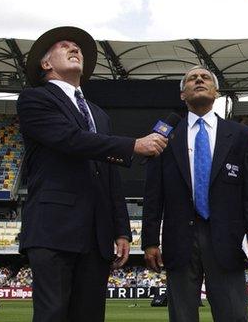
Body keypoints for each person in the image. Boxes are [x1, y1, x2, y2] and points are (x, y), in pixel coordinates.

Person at [17, 26, 168, 322]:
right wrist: (133, 145)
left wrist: (121, 229)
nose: (75, 49)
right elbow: (70, 139)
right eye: (64, 46)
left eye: (78, 48)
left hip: (96, 236)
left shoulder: (99, 115)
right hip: (54, 228)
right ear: (46, 64)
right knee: (52, 314)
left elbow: (110, 177)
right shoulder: (34, 99)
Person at [142, 65, 248, 322]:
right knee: (182, 316)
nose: (198, 79)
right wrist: (150, 240)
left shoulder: (242, 136)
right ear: (182, 95)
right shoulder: (164, 137)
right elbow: (154, 193)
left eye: (205, 77)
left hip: (227, 237)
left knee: (234, 314)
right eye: (191, 78)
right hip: (179, 237)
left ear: (216, 91)